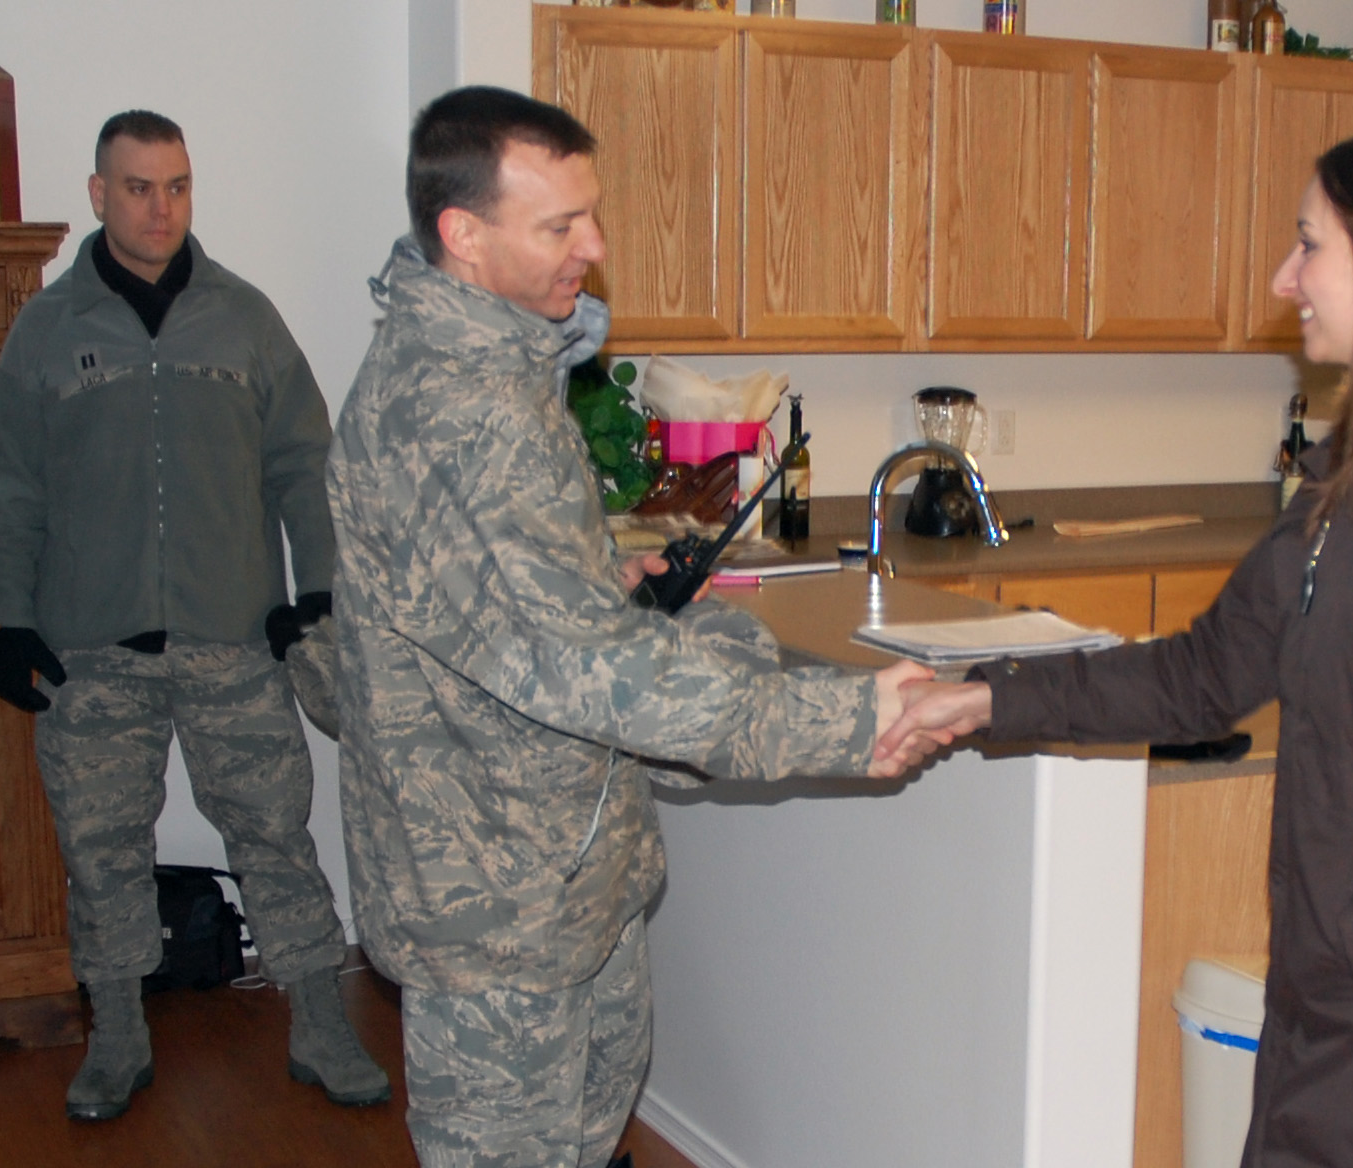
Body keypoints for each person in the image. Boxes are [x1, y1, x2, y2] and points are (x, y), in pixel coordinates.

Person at [881, 122, 1353, 1167]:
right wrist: (990, 699)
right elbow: (1207, 672)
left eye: (1308, 244)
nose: (1285, 276)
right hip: (1329, 1017)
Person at [327, 86, 941, 1168]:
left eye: (591, 214)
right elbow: (583, 668)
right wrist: (848, 720)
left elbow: (499, 595)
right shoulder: (460, 411)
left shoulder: (503, 370)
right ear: (462, 237)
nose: (594, 247)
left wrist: (596, 569)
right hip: (497, 908)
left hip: (559, 874)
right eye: (559, 226)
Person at [0, 110, 389, 1121]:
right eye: (140, 187)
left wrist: (316, 598)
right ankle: (117, 1031)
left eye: (179, 186)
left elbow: (303, 464)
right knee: (101, 849)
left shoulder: (245, 319)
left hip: (232, 636)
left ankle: (321, 1022)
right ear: (99, 193)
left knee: (276, 835)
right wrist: (1, 621)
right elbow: (7, 487)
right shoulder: (46, 331)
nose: (161, 207)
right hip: (90, 650)